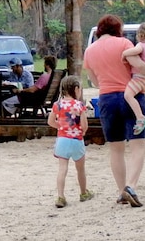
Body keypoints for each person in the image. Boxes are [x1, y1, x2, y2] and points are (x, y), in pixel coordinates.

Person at [84, 14, 145, 208]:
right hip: (130, 95)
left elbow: (95, 81)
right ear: (118, 29)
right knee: (138, 145)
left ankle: (120, 191)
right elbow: (138, 65)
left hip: (106, 99)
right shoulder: (124, 43)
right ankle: (131, 186)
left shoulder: (89, 51)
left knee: (116, 149)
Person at [47, 74, 94, 208]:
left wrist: (61, 127)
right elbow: (84, 125)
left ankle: (61, 197)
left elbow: (50, 121)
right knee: (80, 169)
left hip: (62, 140)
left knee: (62, 169)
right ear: (76, 89)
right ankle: (83, 193)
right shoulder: (79, 105)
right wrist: (82, 131)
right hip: (76, 140)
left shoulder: (57, 105)